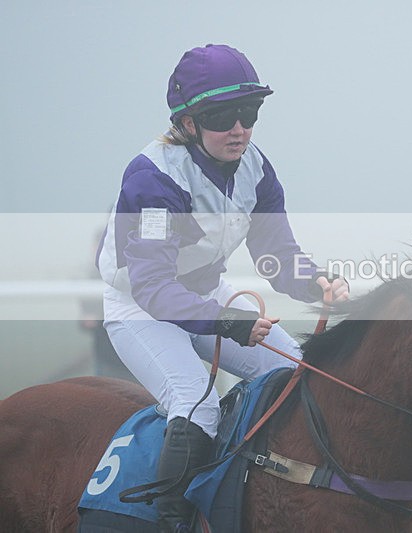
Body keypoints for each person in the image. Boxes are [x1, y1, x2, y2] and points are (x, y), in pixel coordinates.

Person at [96, 44, 348, 533]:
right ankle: (173, 523)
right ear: (188, 123)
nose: (238, 127)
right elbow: (152, 288)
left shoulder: (256, 166)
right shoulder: (152, 179)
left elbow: (276, 253)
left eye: (248, 112)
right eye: (221, 116)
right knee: (198, 401)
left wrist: (316, 282)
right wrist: (231, 324)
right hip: (141, 310)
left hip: (209, 293)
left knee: (301, 377)